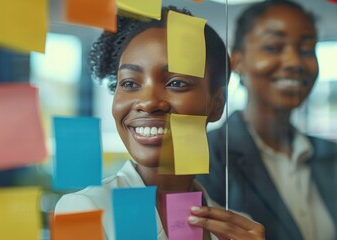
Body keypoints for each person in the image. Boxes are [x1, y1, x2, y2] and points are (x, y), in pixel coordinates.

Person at [55, 6, 265, 240]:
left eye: (176, 83)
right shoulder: (85, 209)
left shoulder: (237, 227)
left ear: (216, 105)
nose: (148, 102)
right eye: (130, 83)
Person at [196, 1, 337, 239]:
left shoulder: (332, 154)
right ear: (236, 62)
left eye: (307, 50)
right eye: (273, 47)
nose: (294, 62)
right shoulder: (207, 155)